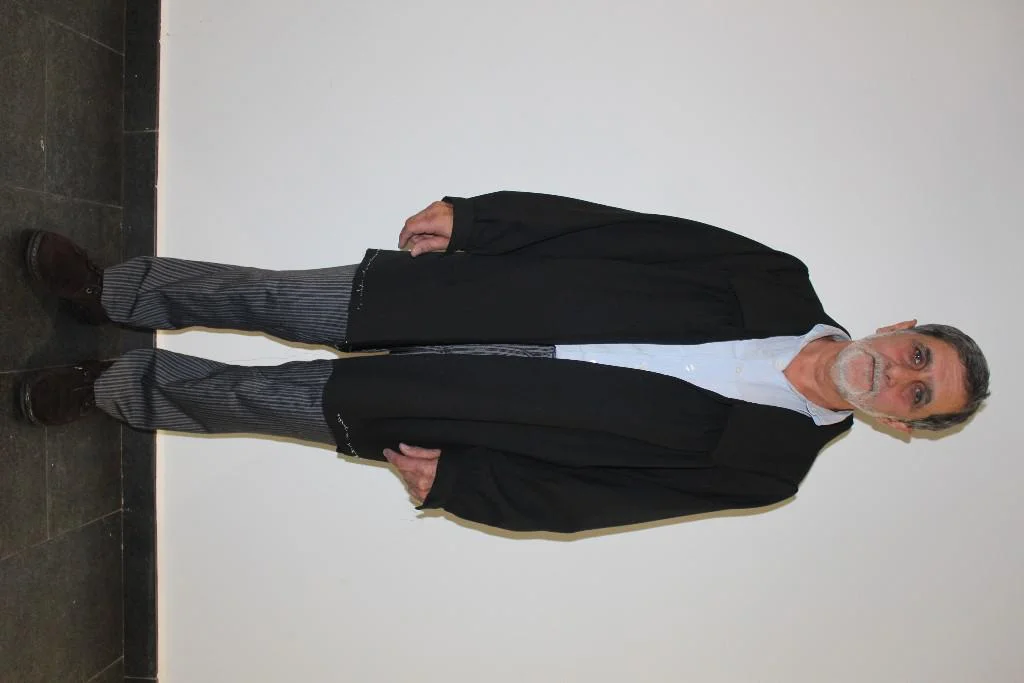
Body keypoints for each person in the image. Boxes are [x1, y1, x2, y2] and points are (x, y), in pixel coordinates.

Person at [17, 191, 990, 533]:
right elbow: (620, 230)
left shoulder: (769, 467)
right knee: (268, 298)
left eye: (917, 394)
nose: (896, 375)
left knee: (263, 400)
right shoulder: (776, 279)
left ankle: (109, 389)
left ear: (899, 425)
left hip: (481, 407)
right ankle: (110, 293)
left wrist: (467, 486)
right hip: (477, 294)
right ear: (899, 325)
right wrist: (483, 221)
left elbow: (600, 499)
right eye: (918, 355)